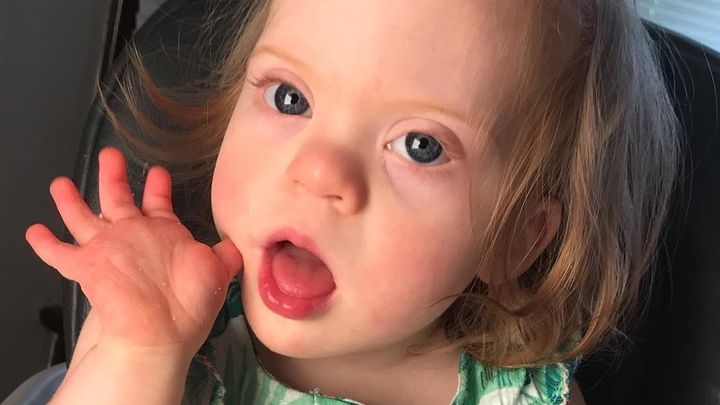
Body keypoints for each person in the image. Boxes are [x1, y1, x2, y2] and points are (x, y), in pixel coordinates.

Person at [24, 0, 680, 403]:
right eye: (290, 98)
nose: (319, 171)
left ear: (515, 239)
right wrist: (141, 355)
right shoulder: (157, 329)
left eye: (421, 145)